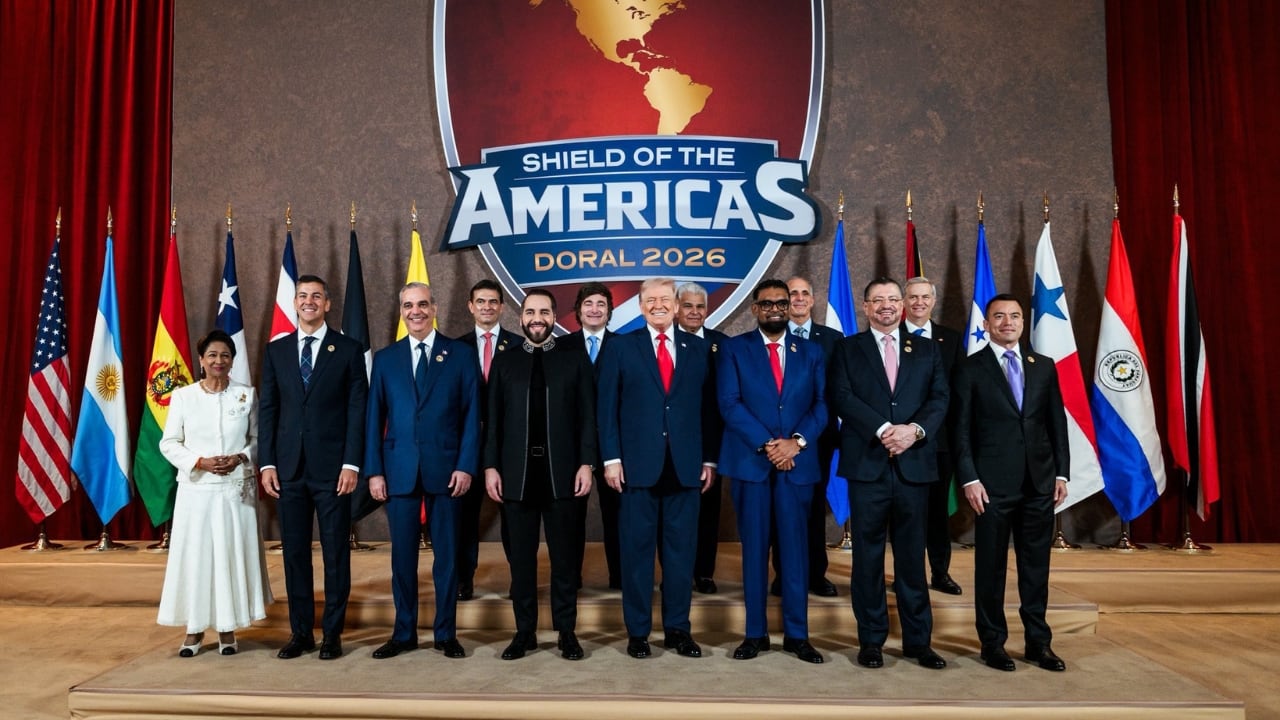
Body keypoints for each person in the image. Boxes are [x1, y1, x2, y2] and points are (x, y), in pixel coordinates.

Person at [827, 277, 949, 670]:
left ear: (903, 306)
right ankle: (872, 640)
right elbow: (842, 396)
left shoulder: (928, 350)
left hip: (914, 466)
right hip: (868, 466)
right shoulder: (847, 349)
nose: (886, 306)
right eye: (877, 300)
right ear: (865, 307)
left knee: (913, 558)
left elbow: (939, 398)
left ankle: (918, 642)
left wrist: (913, 431)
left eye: (892, 300)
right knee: (868, 558)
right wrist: (883, 430)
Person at [597, 277, 718, 659]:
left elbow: (709, 410)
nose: (659, 305)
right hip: (635, 469)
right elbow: (606, 409)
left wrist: (709, 458)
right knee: (636, 556)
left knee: (681, 555)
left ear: (678, 304)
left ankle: (678, 630)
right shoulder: (620, 347)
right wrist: (611, 459)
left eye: (666, 299)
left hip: (685, 468)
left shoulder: (698, 350)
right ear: (641, 304)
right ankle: (638, 633)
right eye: (651, 300)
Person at [952, 294, 1070, 672]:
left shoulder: (1044, 366)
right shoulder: (970, 369)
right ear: (986, 324)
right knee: (991, 568)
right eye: (999, 316)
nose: (1007, 322)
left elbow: (1057, 425)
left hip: (1038, 483)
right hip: (990, 486)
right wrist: (969, 477)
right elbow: (961, 431)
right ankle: (993, 643)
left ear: (1023, 322)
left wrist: (1062, 472)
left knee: (1036, 568)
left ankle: (1039, 642)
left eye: (1014, 316)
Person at [365, 282, 480, 660]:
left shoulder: (461, 355)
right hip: (398, 472)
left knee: (447, 557)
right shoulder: (386, 359)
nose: (416, 311)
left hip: (447, 472)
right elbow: (373, 420)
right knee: (402, 559)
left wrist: (466, 466)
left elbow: (472, 417)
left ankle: (446, 633)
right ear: (401, 311)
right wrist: (374, 472)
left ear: (435, 308)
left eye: (422, 304)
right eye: (408, 305)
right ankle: (404, 633)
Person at [717, 280, 827, 664]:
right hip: (753, 465)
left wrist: (795, 442)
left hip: (797, 466)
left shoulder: (811, 351)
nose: (777, 308)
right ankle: (755, 633)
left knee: (796, 553)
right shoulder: (734, 349)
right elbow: (729, 404)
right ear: (755, 309)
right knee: (754, 553)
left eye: (783, 302)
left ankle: (798, 635)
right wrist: (769, 445)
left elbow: (821, 404)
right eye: (768, 304)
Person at [484, 289, 597, 660]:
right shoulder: (505, 362)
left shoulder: (574, 359)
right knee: (521, 561)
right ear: (520, 318)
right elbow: (493, 423)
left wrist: (586, 463)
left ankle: (566, 631)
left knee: (565, 559)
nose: (537, 318)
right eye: (530, 311)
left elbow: (587, 418)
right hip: (515, 477)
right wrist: (490, 467)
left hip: (562, 474)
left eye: (544, 312)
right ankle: (524, 632)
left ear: (555, 317)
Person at [259, 275, 367, 661]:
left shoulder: (349, 350)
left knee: (336, 552)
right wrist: (267, 462)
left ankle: (332, 635)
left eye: (315, 296)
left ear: (327, 303)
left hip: (334, 469)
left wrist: (352, 463)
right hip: (288, 469)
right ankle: (301, 632)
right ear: (295, 302)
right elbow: (269, 409)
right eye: (302, 296)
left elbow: (358, 411)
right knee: (294, 554)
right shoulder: (277, 351)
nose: (308, 302)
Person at [158, 330, 270, 657]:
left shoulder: (246, 395)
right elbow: (168, 443)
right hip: (197, 492)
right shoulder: (184, 397)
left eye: (225, 355)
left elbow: (259, 438)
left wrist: (240, 457)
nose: (218, 361)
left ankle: (227, 628)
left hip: (236, 491)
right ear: (202, 361)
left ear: (232, 361)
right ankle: (193, 630)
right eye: (212, 356)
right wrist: (199, 461)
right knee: (198, 559)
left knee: (229, 558)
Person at [456, 279, 522, 601]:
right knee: (465, 519)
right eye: (480, 301)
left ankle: (519, 581)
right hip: (467, 447)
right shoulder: (454, 348)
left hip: (508, 448)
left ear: (501, 306)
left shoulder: (520, 346)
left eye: (493, 302)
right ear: (471, 306)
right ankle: (462, 581)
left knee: (513, 518)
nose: (486, 307)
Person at [901, 277, 964, 596]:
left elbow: (957, 394)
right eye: (912, 297)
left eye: (925, 297)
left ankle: (940, 572)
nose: (919, 303)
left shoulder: (951, 340)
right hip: (898, 442)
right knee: (905, 514)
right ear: (903, 302)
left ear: (933, 301)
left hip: (938, 443)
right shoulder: (889, 337)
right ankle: (906, 577)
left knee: (937, 513)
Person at [780, 276, 840, 598]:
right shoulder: (772, 336)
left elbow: (836, 392)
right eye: (793, 294)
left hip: (820, 438)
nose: (799, 299)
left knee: (814, 507)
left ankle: (817, 574)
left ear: (814, 300)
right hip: (778, 440)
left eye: (805, 293)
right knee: (781, 507)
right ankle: (783, 575)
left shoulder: (832, 339)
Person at [558, 282, 620, 589]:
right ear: (578, 311)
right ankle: (571, 578)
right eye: (588, 304)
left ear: (610, 311)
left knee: (618, 517)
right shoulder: (561, 347)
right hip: (572, 448)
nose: (594, 309)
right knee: (570, 518)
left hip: (614, 447)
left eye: (601, 304)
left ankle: (619, 578)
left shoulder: (625, 345)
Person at [675, 281, 729, 595]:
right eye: (688, 306)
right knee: (675, 515)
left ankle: (704, 572)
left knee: (708, 512)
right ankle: (675, 573)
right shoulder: (663, 343)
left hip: (711, 442)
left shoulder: (722, 344)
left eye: (700, 307)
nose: (695, 312)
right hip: (672, 443)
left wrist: (712, 452)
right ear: (676, 308)